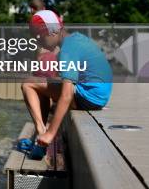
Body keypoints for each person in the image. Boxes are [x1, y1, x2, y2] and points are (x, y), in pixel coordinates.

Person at [21, 10, 112, 158]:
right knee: (40, 87)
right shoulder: (76, 40)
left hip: (89, 97)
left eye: (39, 37)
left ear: (52, 31)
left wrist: (51, 134)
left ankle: (42, 133)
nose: (38, 42)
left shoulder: (67, 52)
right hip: (99, 96)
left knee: (28, 83)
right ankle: (40, 134)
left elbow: (67, 94)